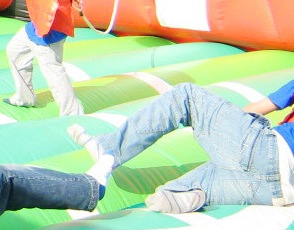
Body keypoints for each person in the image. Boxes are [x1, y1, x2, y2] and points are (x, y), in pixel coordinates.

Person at [68, 80, 294, 213]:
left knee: (186, 95)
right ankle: (191, 194)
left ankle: (109, 148)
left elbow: (255, 109)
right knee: (169, 195)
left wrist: (225, 124)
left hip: (269, 150)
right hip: (277, 193)